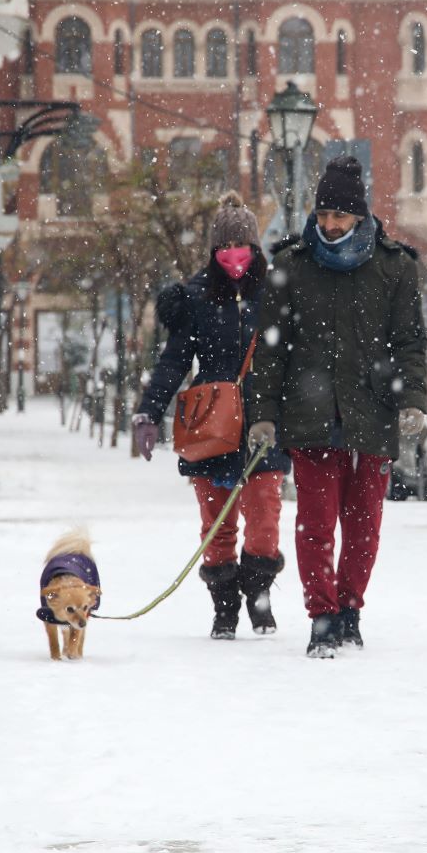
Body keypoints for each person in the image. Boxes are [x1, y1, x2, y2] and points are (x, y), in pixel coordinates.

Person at [247, 156, 427, 658]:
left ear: (360, 216)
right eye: (323, 214)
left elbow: (412, 343)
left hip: (372, 412)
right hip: (310, 416)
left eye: (339, 217)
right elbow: (269, 350)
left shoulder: (395, 268)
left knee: (364, 524)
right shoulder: (292, 265)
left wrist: (412, 399)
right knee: (315, 523)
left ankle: (350, 609)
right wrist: (262, 412)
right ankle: (322, 616)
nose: (329, 224)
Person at [133, 193, 291, 639]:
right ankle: (225, 609)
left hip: (264, 420)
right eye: (225, 249)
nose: (234, 257)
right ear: (213, 251)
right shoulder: (195, 297)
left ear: (256, 249)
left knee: (264, 519)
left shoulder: (276, 293)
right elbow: (173, 361)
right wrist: (149, 411)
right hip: (212, 424)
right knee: (216, 523)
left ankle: (258, 597)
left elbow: (295, 359)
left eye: (242, 248)